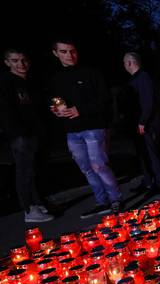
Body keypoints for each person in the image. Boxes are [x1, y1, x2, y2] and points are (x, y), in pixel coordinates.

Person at [49, 39, 123, 218]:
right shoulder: (55, 78)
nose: (69, 55)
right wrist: (55, 110)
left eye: (72, 51)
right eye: (64, 51)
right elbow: (55, 100)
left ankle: (116, 199)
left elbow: (104, 100)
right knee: (86, 168)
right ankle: (101, 201)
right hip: (72, 131)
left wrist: (80, 109)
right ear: (56, 53)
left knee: (98, 165)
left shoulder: (91, 72)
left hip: (93, 127)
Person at [0, 49, 53, 222]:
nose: (20, 64)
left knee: (35, 170)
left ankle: (39, 203)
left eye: (23, 60)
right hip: (20, 136)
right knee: (24, 171)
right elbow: (6, 111)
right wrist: (18, 133)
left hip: (36, 133)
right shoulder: (6, 82)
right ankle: (29, 210)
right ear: (7, 63)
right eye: (15, 61)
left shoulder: (31, 81)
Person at [122, 52, 160, 194]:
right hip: (137, 122)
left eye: (124, 63)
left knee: (151, 153)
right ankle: (147, 180)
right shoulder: (133, 80)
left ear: (129, 63)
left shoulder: (143, 77)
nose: (124, 66)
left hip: (146, 123)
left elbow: (148, 102)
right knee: (142, 153)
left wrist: (142, 121)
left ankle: (157, 182)